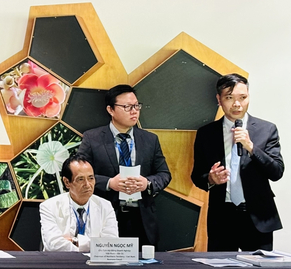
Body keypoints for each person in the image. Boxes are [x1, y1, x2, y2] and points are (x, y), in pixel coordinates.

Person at [191, 73, 284, 251]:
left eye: (243, 97)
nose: (237, 104)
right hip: (222, 216)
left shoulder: (267, 129)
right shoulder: (206, 133)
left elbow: (277, 172)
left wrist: (250, 147)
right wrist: (211, 179)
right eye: (229, 98)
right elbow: (197, 176)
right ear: (219, 99)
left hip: (258, 217)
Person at [77, 84, 171, 246]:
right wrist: (109, 183)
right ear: (110, 110)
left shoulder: (150, 140)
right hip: (106, 216)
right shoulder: (92, 138)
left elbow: (164, 174)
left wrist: (147, 183)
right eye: (127, 107)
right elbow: (78, 174)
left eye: (136, 106)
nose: (134, 111)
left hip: (142, 217)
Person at [40, 153, 118, 252]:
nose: (87, 184)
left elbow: (111, 245)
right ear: (67, 182)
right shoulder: (49, 206)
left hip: (96, 266)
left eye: (91, 178)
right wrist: (93, 247)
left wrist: (76, 241)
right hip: (61, 265)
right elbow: (54, 245)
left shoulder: (105, 206)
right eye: (80, 179)